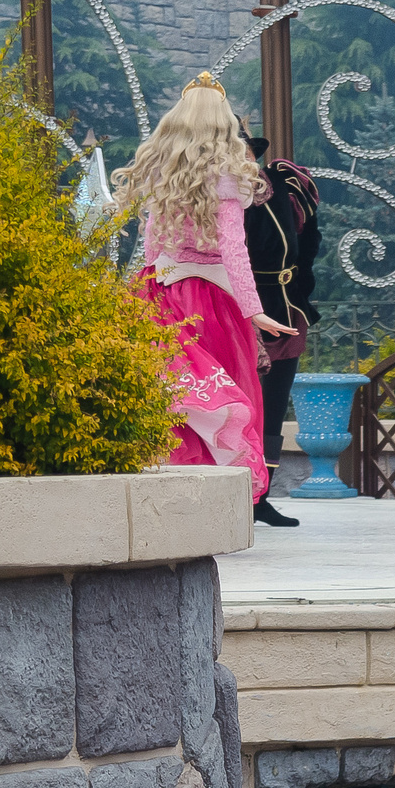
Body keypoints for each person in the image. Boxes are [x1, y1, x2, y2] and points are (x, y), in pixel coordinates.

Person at [114, 74, 293, 504]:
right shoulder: (228, 177)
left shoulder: (162, 172)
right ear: (221, 124)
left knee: (168, 391)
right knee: (219, 393)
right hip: (210, 300)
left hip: (157, 292)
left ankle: (168, 491)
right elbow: (234, 249)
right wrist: (254, 311)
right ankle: (211, 500)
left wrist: (145, 286)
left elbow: (153, 241)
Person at [239, 125, 322, 529]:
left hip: (286, 309)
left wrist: (302, 295)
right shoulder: (214, 194)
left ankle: (262, 497)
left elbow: (308, 245)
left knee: (272, 409)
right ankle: (232, 498)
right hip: (236, 308)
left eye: (244, 147)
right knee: (236, 408)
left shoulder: (284, 184)